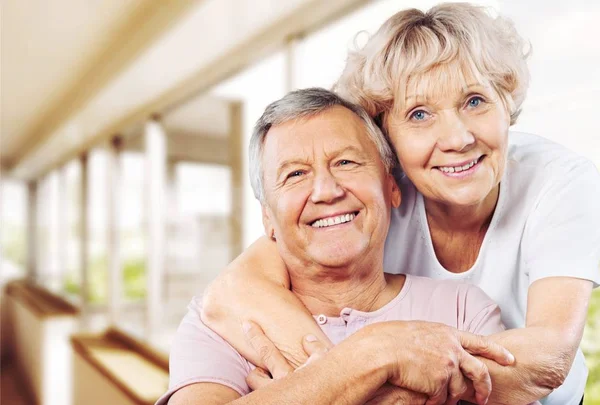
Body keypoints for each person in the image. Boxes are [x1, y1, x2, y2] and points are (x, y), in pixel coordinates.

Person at [201, 3, 600, 405]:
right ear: (384, 134)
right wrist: (354, 369)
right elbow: (232, 292)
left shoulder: (562, 183)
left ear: (506, 106)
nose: (457, 138)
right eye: (420, 114)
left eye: (475, 101)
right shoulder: (369, 194)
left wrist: (343, 387)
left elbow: (549, 356)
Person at [157, 88, 521, 405]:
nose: (326, 191)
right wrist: (373, 354)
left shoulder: (462, 309)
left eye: (346, 162)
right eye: (295, 174)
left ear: (392, 188)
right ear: (268, 218)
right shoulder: (221, 324)